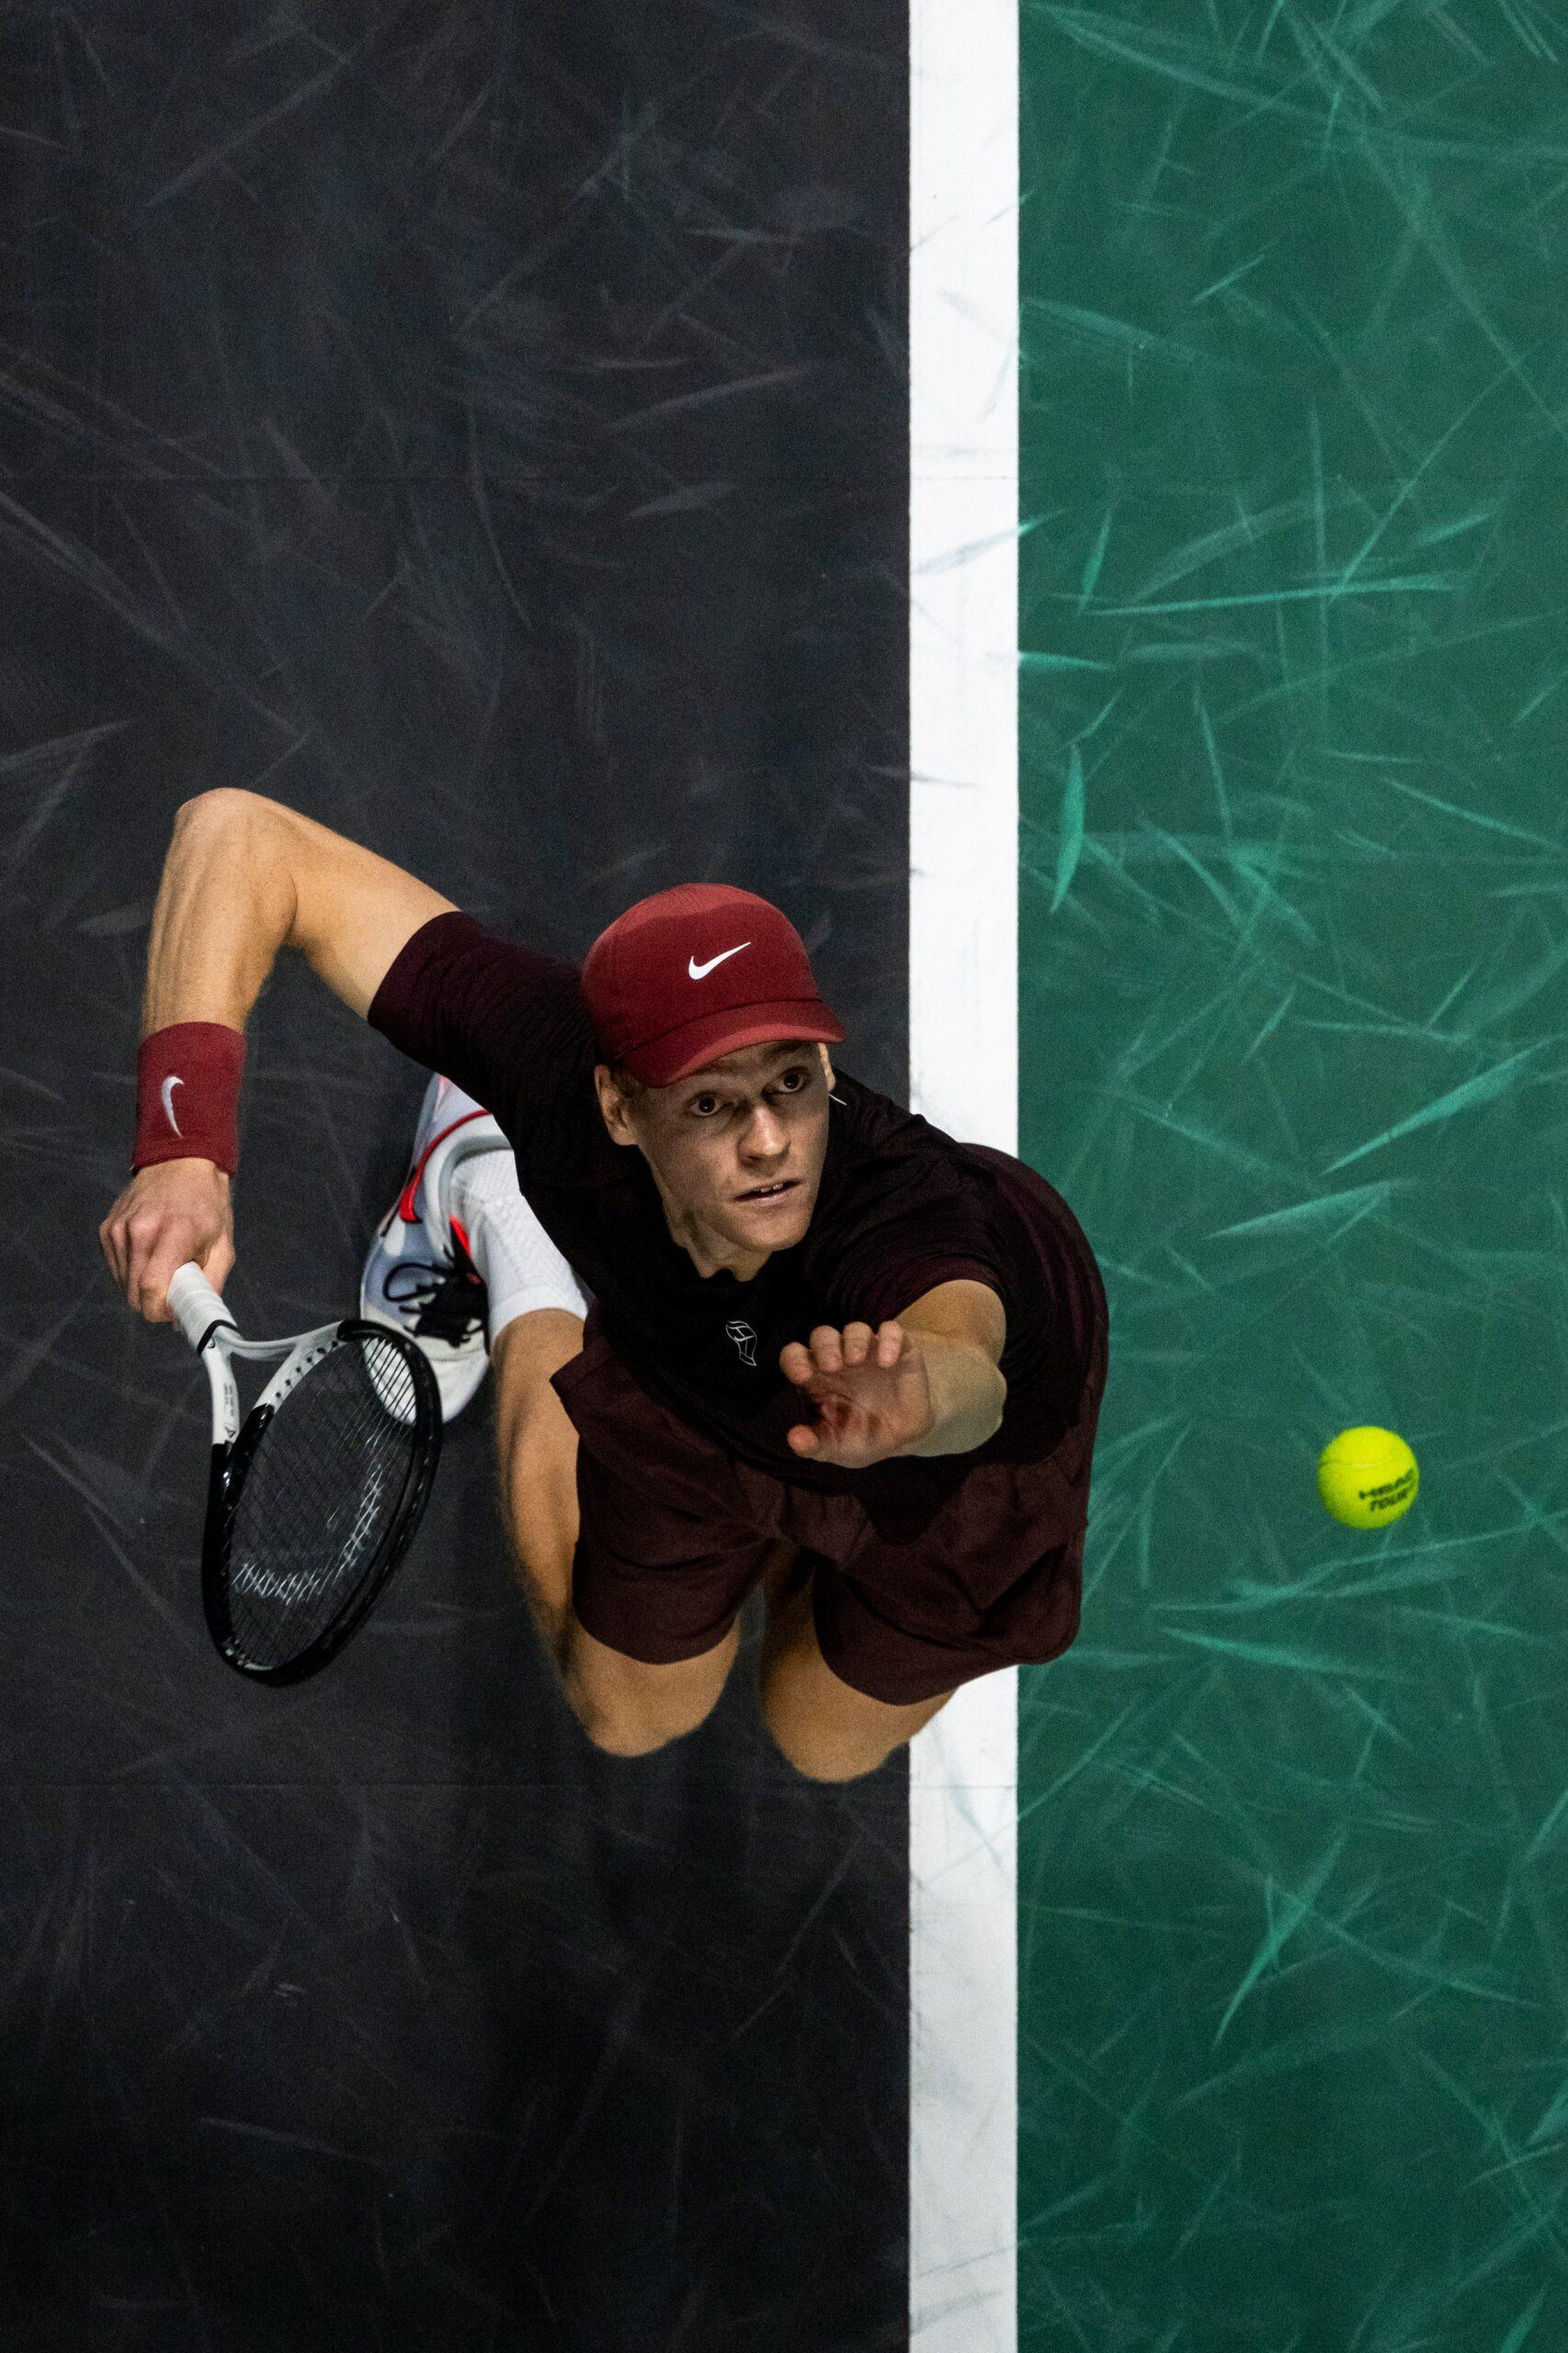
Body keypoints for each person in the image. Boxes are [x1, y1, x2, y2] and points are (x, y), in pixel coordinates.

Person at [99, 789, 1109, 1781]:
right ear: (617, 1105)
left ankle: (788, 1534)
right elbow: (240, 835)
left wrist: (917, 1394)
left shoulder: (901, 1207)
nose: (768, 1143)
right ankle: (492, 1195)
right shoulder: (551, 1065)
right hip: (696, 1374)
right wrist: (182, 1147)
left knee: (820, 1740)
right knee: (625, 1713)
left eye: (791, 1081)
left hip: (946, 1465)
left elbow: (971, 1356)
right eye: (711, 1102)